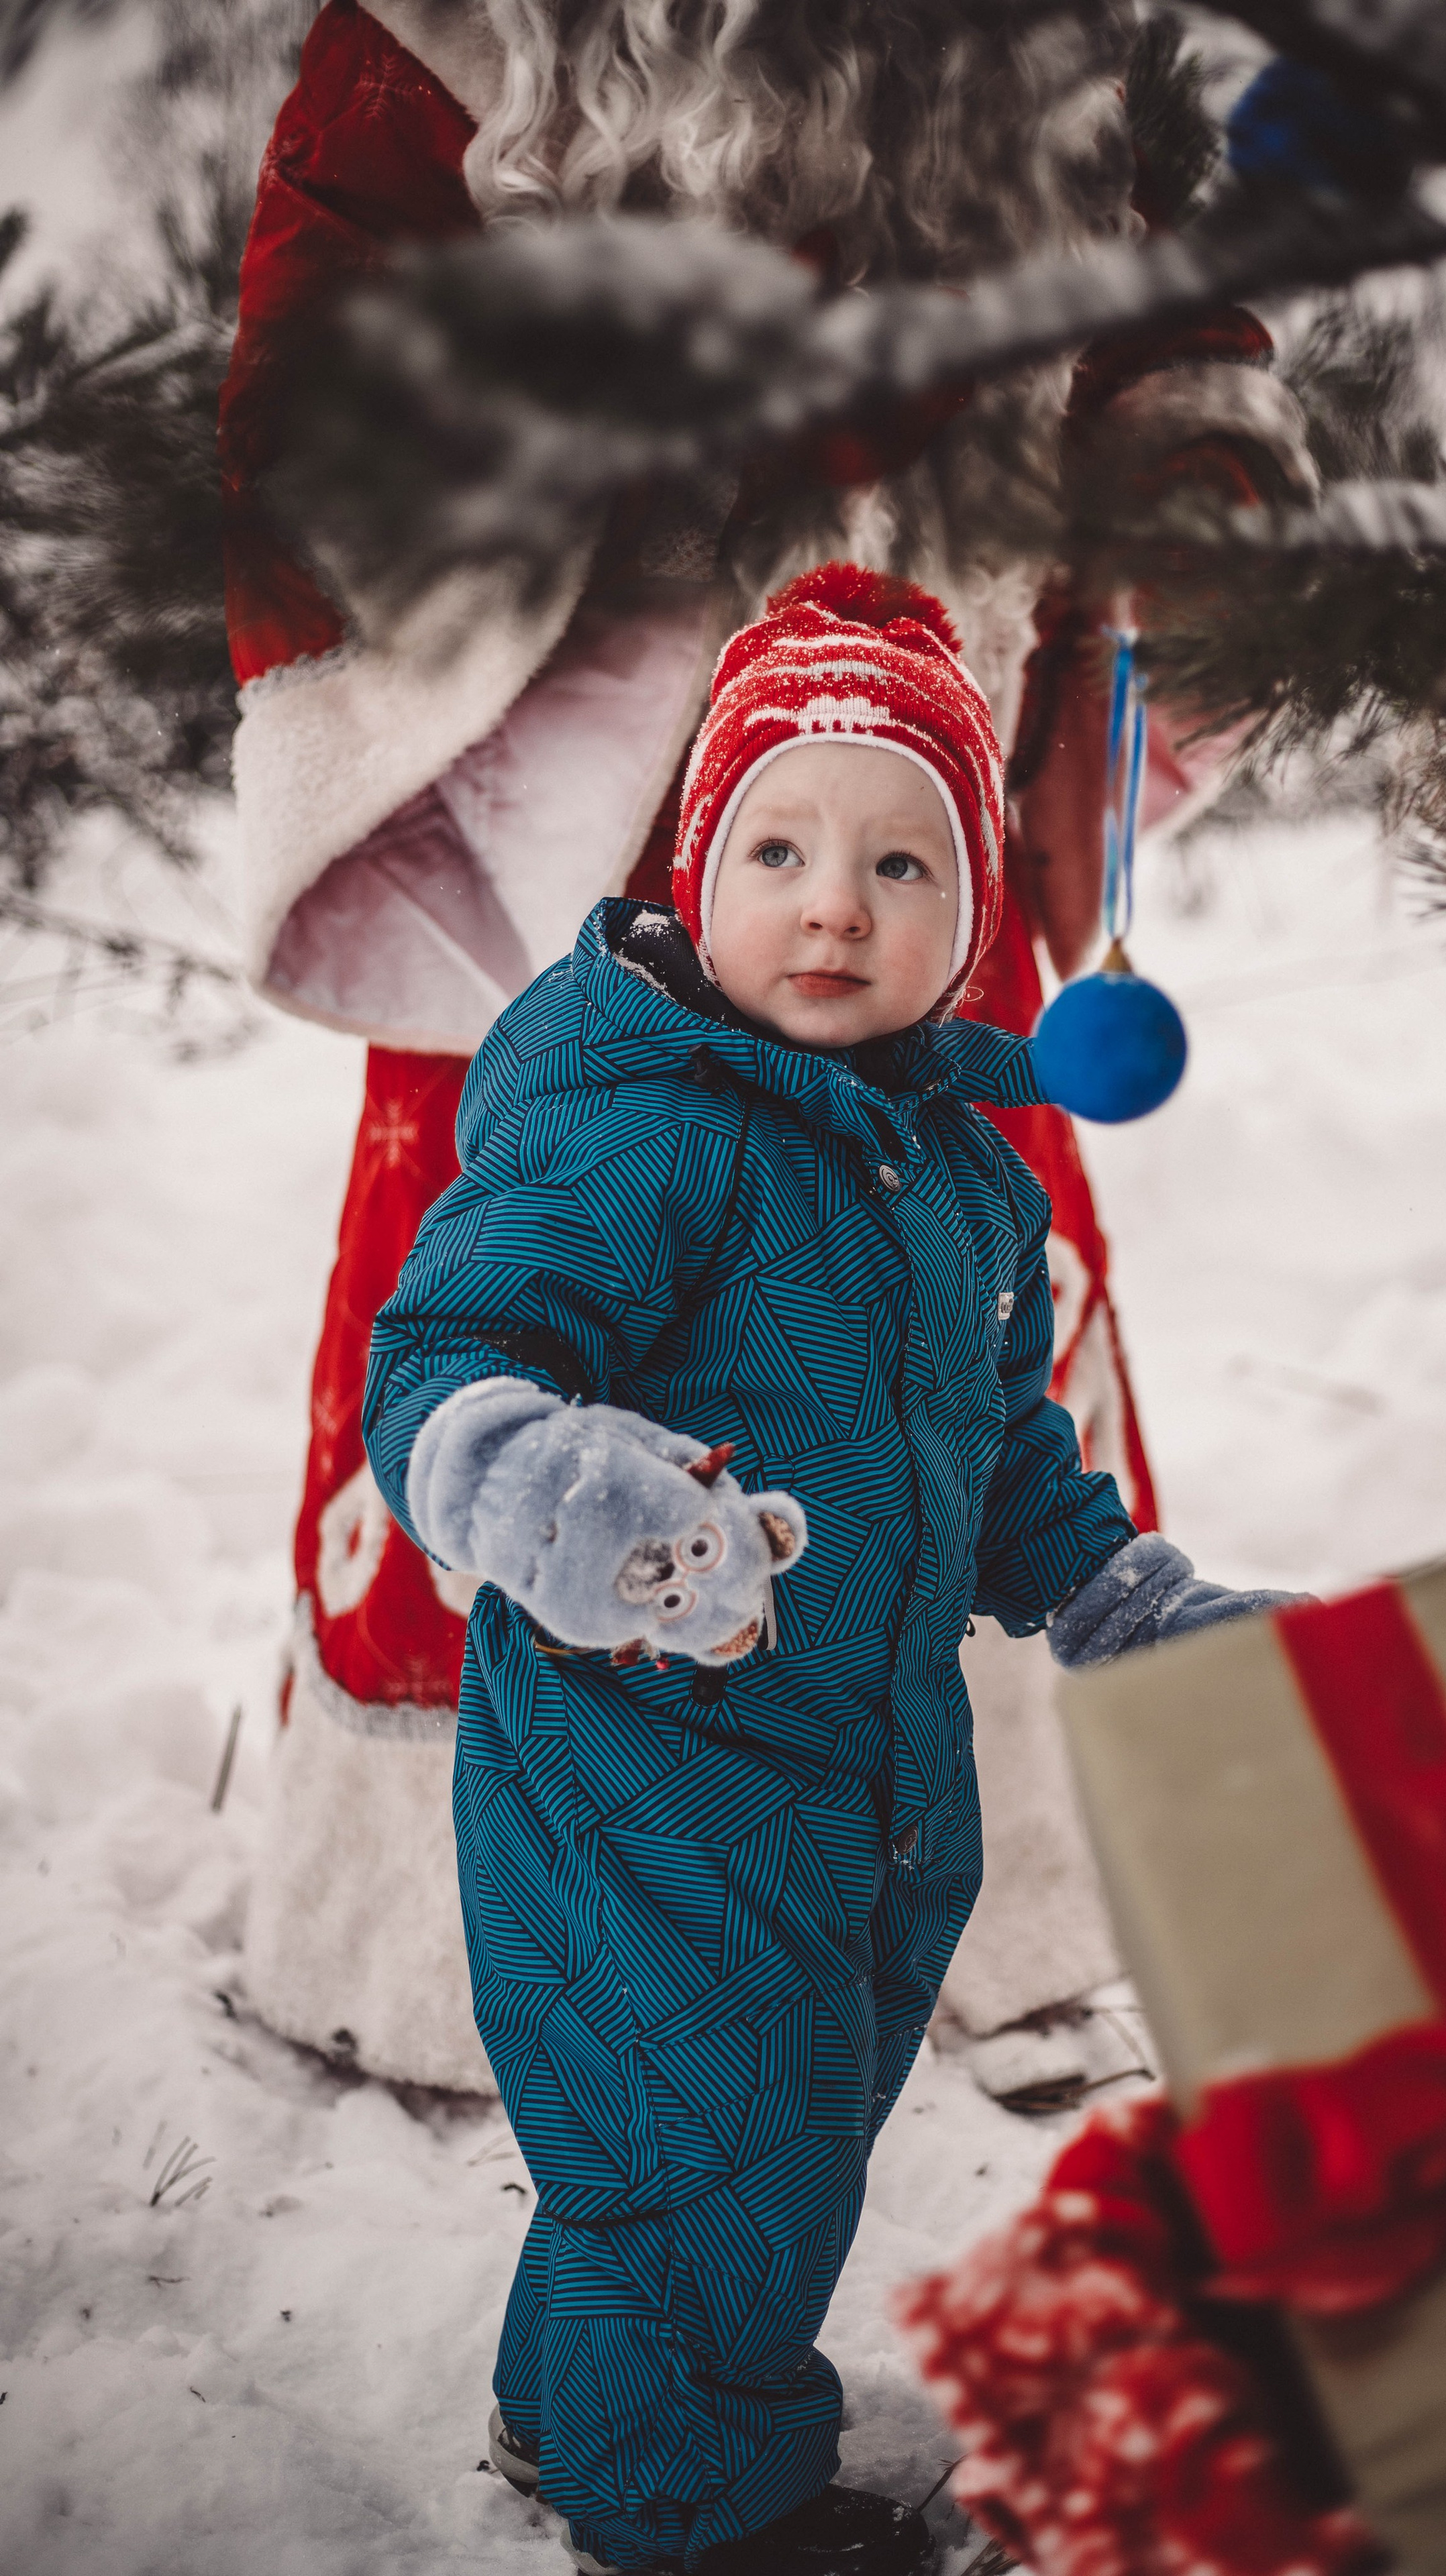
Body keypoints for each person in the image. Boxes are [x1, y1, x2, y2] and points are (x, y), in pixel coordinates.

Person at [224, 0, 1314, 2092]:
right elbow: (313, 388)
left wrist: (1192, 495)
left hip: (925, 790)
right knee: (543, 1297)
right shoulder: (448, 34)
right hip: (578, 837)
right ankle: (475, 1955)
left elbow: (1177, 324)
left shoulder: (1062, 37)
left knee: (948, 1314)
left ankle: (999, 1915)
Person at [363, 566, 1292, 2576]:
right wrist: (541, 1479)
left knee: (740, 2133)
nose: (834, 903)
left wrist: (1120, 1593)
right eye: (776, 844)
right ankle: (689, 2509)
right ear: (699, 869)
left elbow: (997, 1456)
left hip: (856, 1780)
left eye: (902, 860)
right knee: (716, 2138)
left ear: (969, 924)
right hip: (647, 1764)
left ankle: (577, 2393)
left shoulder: (960, 1176)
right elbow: (455, 1351)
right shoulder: (645, 1136)